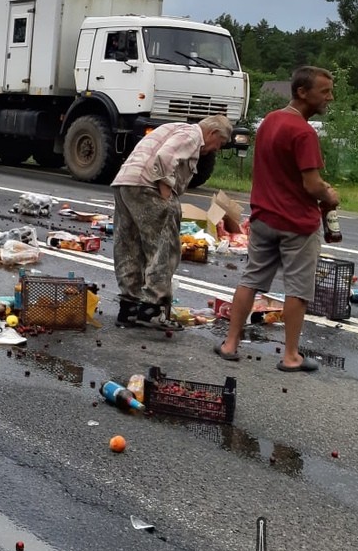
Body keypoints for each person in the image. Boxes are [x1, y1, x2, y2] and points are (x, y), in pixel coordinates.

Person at [216, 66, 338, 371]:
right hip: (297, 223)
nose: (330, 98)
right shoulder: (304, 132)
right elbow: (311, 185)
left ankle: (230, 344)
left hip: (263, 218)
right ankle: (291, 356)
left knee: (251, 280)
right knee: (298, 289)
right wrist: (330, 195)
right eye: (324, 91)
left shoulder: (270, 120)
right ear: (302, 92)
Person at [110, 113, 235, 329]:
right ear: (212, 132)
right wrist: (166, 194)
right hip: (148, 186)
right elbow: (166, 156)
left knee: (128, 245)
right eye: (220, 143)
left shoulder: (175, 127)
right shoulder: (192, 135)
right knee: (163, 247)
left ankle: (129, 308)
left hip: (126, 182)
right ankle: (152, 308)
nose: (217, 148)